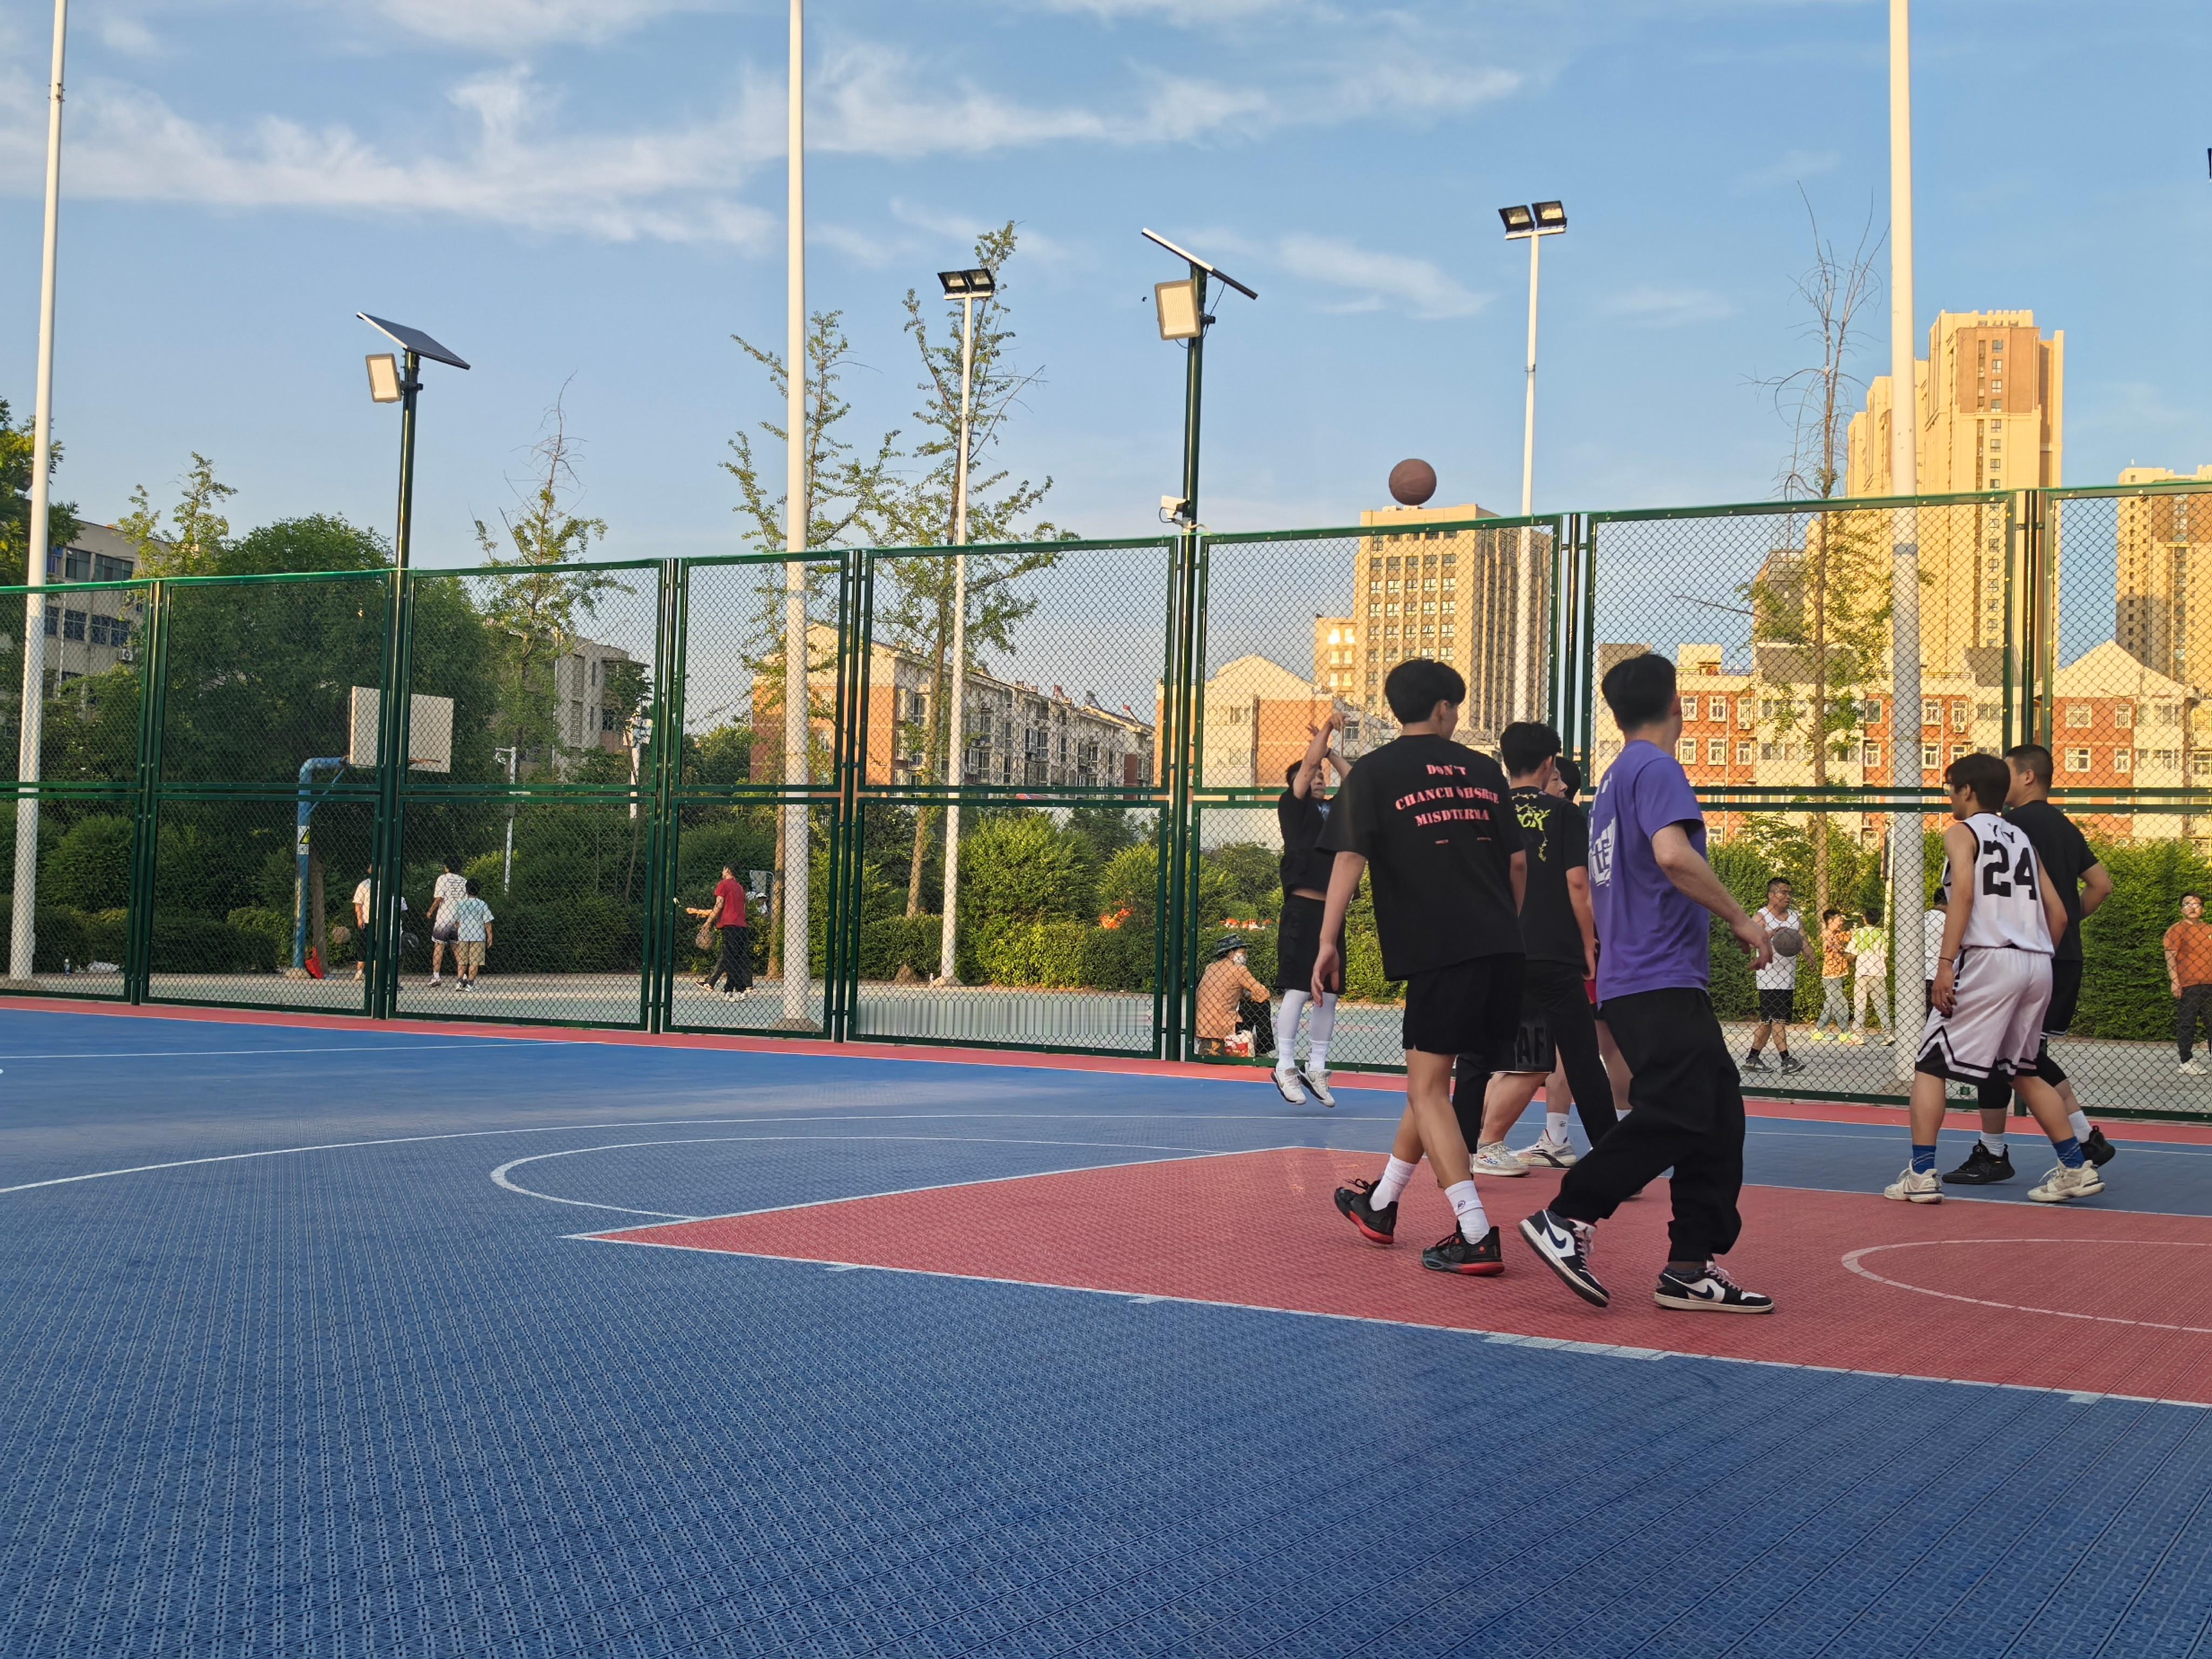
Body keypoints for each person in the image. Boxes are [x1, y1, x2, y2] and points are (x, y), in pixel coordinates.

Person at [1519, 652, 1775, 1313]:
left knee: (1717, 1113)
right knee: (1684, 1110)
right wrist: (1741, 919)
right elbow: (1671, 854)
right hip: (1656, 974)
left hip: (1640, 974)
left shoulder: (1613, 779)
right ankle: (1569, 1215)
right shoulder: (1657, 768)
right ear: (1678, 706)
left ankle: (1690, 1264)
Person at [1324, 659, 1527, 1276]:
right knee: (1429, 1080)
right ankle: (1381, 1204)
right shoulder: (1484, 770)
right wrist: (1503, 927)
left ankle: (1475, 1231)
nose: (1455, 717)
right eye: (1455, 708)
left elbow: (1349, 858)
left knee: (1428, 1088)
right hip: (1501, 946)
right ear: (1442, 709)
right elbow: (1518, 865)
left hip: (1439, 948)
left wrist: (1327, 940)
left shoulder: (1374, 772)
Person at [1883, 753, 2106, 1205]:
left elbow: (1963, 894)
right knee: (2022, 1069)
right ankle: (2075, 1168)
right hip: (2037, 962)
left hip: (1989, 960)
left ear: (1967, 790)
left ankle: (1922, 1175)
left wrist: (1946, 963)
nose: (1949, 796)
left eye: (1950, 788)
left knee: (1930, 1065)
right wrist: (2034, 952)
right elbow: (2060, 915)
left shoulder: (1962, 833)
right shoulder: (2023, 840)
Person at [1946, 743, 2118, 1184]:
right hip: (2060, 954)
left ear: (2026, 777)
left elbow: (1970, 893)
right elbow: (2101, 885)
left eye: (2006, 772)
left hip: (2017, 952)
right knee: (2025, 1056)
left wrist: (2032, 934)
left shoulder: (2006, 829)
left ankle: (1995, 1152)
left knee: (2002, 1054)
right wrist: (2065, 926)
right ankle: (2083, 1139)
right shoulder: (2066, 827)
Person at [1466, 720, 1618, 1176]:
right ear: (1550, 763)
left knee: (1477, 1057)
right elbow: (1578, 884)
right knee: (1581, 1059)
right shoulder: (1565, 813)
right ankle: (1613, 1165)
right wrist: (1588, 945)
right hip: (1553, 951)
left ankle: (1461, 1156)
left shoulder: (1484, 811)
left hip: (1496, 950)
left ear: (1504, 759)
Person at [1272, 712, 1348, 1105]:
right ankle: (1285, 1064)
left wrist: (1331, 753)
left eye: (1323, 774)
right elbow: (1306, 766)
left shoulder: (1336, 810)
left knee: (1329, 995)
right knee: (1300, 989)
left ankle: (1316, 1067)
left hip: (1333, 914)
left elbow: (1356, 781)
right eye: (1313, 774)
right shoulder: (1293, 806)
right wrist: (1328, 729)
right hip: (1303, 908)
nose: (1319, 777)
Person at [1742, 878, 1806, 1076]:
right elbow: (1748, 943)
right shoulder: (1762, 917)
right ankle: (1786, 1060)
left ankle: (1752, 1059)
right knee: (1777, 1020)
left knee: (1768, 1022)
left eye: (1789, 893)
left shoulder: (1795, 917)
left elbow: (1803, 940)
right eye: (1783, 892)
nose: (1788, 896)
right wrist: (1767, 935)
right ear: (1771, 895)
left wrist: (1811, 957)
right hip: (1769, 977)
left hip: (1787, 978)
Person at [1193, 936, 1270, 1058]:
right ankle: (1264, 1048)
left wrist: (1243, 995)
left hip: (1204, 1025)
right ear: (1231, 954)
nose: (1246, 957)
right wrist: (1253, 996)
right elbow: (1263, 994)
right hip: (1225, 1024)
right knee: (1263, 1005)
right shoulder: (1239, 970)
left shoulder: (1211, 968)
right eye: (1243, 953)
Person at [686, 865, 753, 997]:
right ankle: (728, 989)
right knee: (734, 957)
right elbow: (741, 909)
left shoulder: (724, 884)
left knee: (730, 959)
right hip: (741, 926)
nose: (722, 872)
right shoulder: (740, 888)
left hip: (730, 926)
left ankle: (741, 989)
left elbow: (719, 905)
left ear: (728, 870)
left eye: (723, 869)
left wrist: (708, 922)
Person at [2166, 893, 2212, 1075]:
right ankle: (2186, 1061)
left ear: (2203, 909)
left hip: (2210, 983)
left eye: (2196, 904)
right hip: (2189, 984)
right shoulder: (2177, 930)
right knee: (2188, 1023)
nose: (2192, 907)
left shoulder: (2209, 929)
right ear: (2181, 909)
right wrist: (2175, 982)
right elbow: (2171, 956)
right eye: (2187, 904)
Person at [1847, 903, 1892, 1044]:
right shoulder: (1883, 934)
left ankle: (1858, 1035)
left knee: (1860, 1004)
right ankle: (1889, 1034)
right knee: (1882, 1005)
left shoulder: (1859, 933)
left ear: (1865, 919)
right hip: (1879, 972)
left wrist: (1851, 961)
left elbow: (1851, 953)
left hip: (1862, 972)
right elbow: (1885, 956)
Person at [1811, 909, 1853, 1039]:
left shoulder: (1837, 934)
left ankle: (1819, 1031)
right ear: (1830, 921)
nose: (1841, 923)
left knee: (1830, 1004)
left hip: (1837, 975)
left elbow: (1848, 936)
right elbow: (1826, 943)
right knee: (1841, 1003)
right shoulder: (1827, 935)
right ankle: (1845, 1032)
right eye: (1839, 920)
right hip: (1831, 976)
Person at [427, 857, 468, 987]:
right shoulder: (464, 882)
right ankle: (463, 976)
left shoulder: (443, 879)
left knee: (439, 946)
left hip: (444, 917)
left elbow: (440, 898)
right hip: (458, 919)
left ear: (447, 867)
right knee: (457, 947)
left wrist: (431, 911)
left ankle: (436, 976)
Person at [448, 878, 495, 991]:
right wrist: (490, 938)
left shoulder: (461, 904)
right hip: (478, 936)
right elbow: (487, 923)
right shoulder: (482, 904)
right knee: (475, 961)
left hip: (464, 934)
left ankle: (460, 982)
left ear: (466, 890)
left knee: (462, 960)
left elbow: (456, 921)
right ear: (478, 890)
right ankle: (470, 984)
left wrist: (460, 928)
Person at [352, 865, 374, 983]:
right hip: (367, 920)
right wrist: (360, 918)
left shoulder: (386, 884)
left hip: (381, 922)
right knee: (363, 946)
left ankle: (376, 972)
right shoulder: (364, 885)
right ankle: (360, 972)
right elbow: (358, 904)